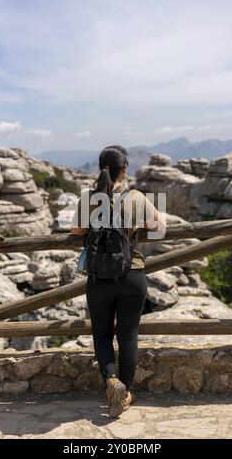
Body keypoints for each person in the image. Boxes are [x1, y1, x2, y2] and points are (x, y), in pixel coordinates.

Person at [71, 145, 165, 418]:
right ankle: (125, 393)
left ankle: (111, 380)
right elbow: (159, 227)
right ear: (125, 169)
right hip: (132, 275)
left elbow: (76, 230)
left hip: (99, 279)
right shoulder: (136, 197)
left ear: (100, 168)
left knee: (101, 334)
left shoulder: (89, 198)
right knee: (128, 337)